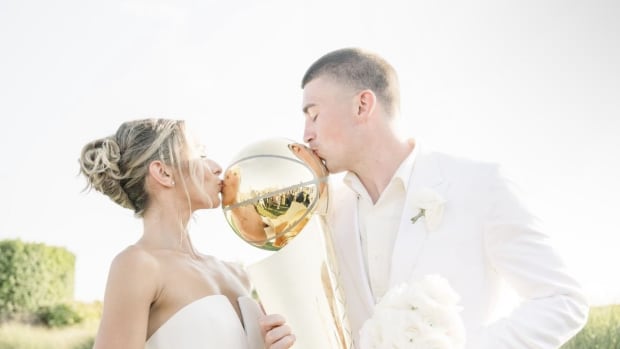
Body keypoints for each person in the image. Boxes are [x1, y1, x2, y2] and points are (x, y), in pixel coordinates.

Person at [299, 48, 589, 349]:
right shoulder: (327, 215)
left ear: (362, 105)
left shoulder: (482, 186)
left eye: (314, 115)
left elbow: (563, 300)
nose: (306, 134)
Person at [79, 118, 296, 349]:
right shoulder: (138, 265)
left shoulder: (237, 274)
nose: (217, 167)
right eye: (200, 156)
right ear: (163, 173)